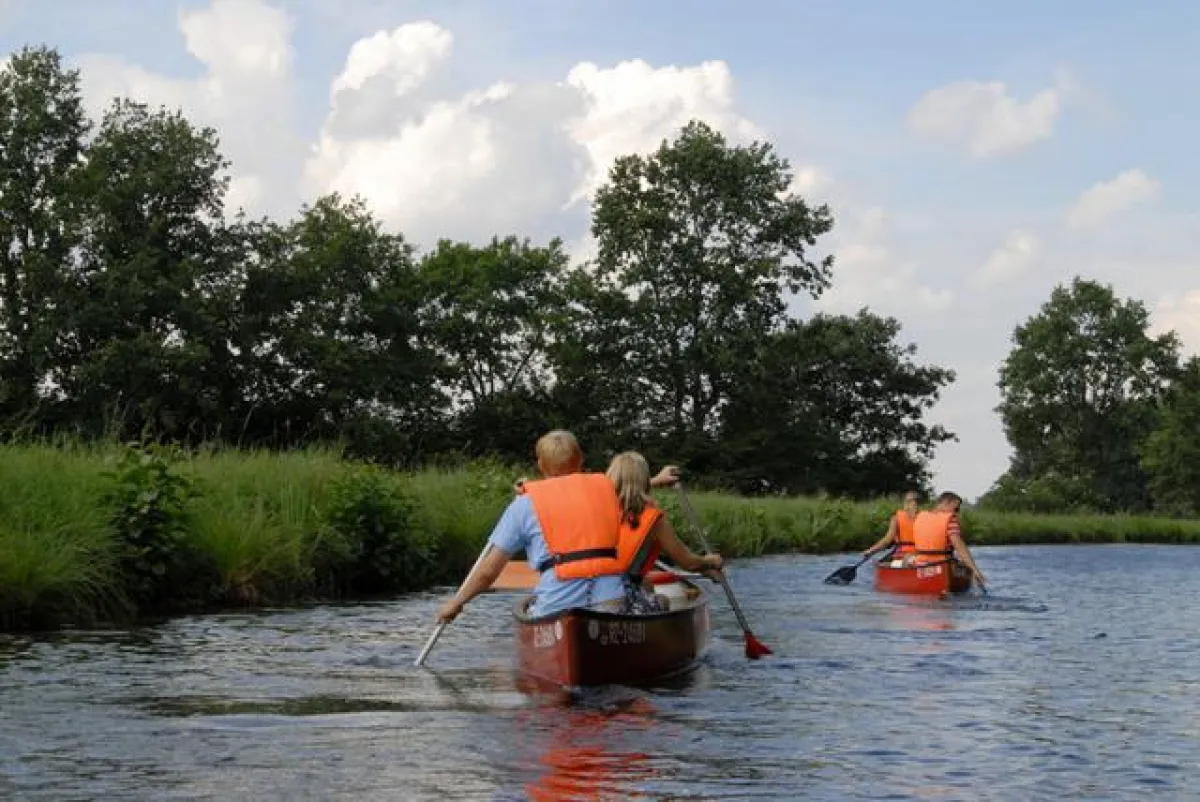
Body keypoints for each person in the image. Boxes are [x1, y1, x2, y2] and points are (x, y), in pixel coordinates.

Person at [435, 431, 693, 624]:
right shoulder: (606, 490)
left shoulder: (524, 505)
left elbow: (488, 572)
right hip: (610, 604)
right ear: (581, 459)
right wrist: (657, 479)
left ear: (540, 465)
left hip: (556, 606)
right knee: (651, 599)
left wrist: (457, 603)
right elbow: (631, 488)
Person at [602, 451, 724, 613]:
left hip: (592, 592)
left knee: (646, 584)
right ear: (644, 481)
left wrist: (657, 480)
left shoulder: (597, 509)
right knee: (661, 600)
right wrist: (711, 562)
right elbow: (689, 563)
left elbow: (625, 489)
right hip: (620, 596)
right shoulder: (654, 520)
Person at [910, 491, 987, 588]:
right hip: (943, 566)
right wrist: (975, 570)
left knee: (908, 558)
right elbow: (959, 547)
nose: (957, 512)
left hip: (920, 565)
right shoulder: (950, 519)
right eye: (956, 508)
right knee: (962, 564)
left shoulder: (920, 517)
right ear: (945, 503)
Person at [862, 490, 921, 562]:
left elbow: (887, 540)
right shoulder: (925, 518)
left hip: (903, 556)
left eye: (907, 502)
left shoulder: (896, 518)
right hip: (920, 556)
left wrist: (870, 551)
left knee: (875, 563)